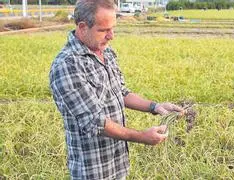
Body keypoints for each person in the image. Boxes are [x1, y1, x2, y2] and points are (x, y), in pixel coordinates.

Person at [49, 0, 183, 179]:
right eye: (104, 30)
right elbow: (95, 121)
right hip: (93, 169)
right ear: (82, 27)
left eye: (113, 28)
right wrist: (142, 136)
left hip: (118, 162)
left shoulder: (107, 53)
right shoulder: (67, 65)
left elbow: (121, 92)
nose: (111, 36)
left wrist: (155, 106)